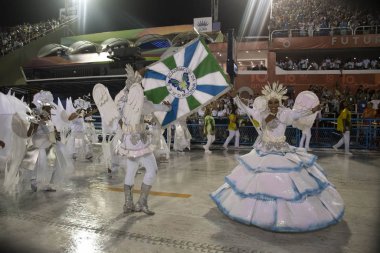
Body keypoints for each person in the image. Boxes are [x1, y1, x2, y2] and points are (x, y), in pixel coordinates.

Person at [211, 82, 344, 232]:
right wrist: (236, 97)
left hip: (282, 151)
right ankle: (262, 214)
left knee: (289, 182)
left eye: (276, 102)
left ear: (280, 102)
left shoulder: (285, 113)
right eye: (270, 102)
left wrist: (314, 109)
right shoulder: (261, 113)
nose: (273, 105)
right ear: (267, 103)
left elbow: (301, 113)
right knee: (258, 182)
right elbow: (246, 108)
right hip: (265, 150)